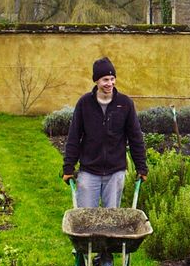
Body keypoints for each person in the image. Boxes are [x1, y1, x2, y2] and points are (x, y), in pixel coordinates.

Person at [62, 57, 148, 208]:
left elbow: (135, 138)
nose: (110, 83)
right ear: (96, 81)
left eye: (112, 78)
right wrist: (68, 167)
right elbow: (74, 137)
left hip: (115, 171)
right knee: (86, 217)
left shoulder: (125, 104)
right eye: (105, 79)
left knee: (111, 219)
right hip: (89, 170)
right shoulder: (84, 104)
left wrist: (141, 166)